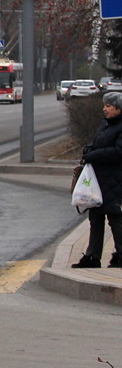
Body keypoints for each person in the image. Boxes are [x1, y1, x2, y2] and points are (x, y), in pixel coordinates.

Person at [72, 89, 122, 268]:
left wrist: (93, 155)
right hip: (98, 181)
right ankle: (93, 257)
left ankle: (120, 255)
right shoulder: (105, 125)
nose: (105, 109)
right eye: (104, 106)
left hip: (115, 181)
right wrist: (89, 150)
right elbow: (98, 143)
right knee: (96, 217)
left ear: (119, 109)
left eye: (108, 106)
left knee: (115, 218)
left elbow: (118, 152)